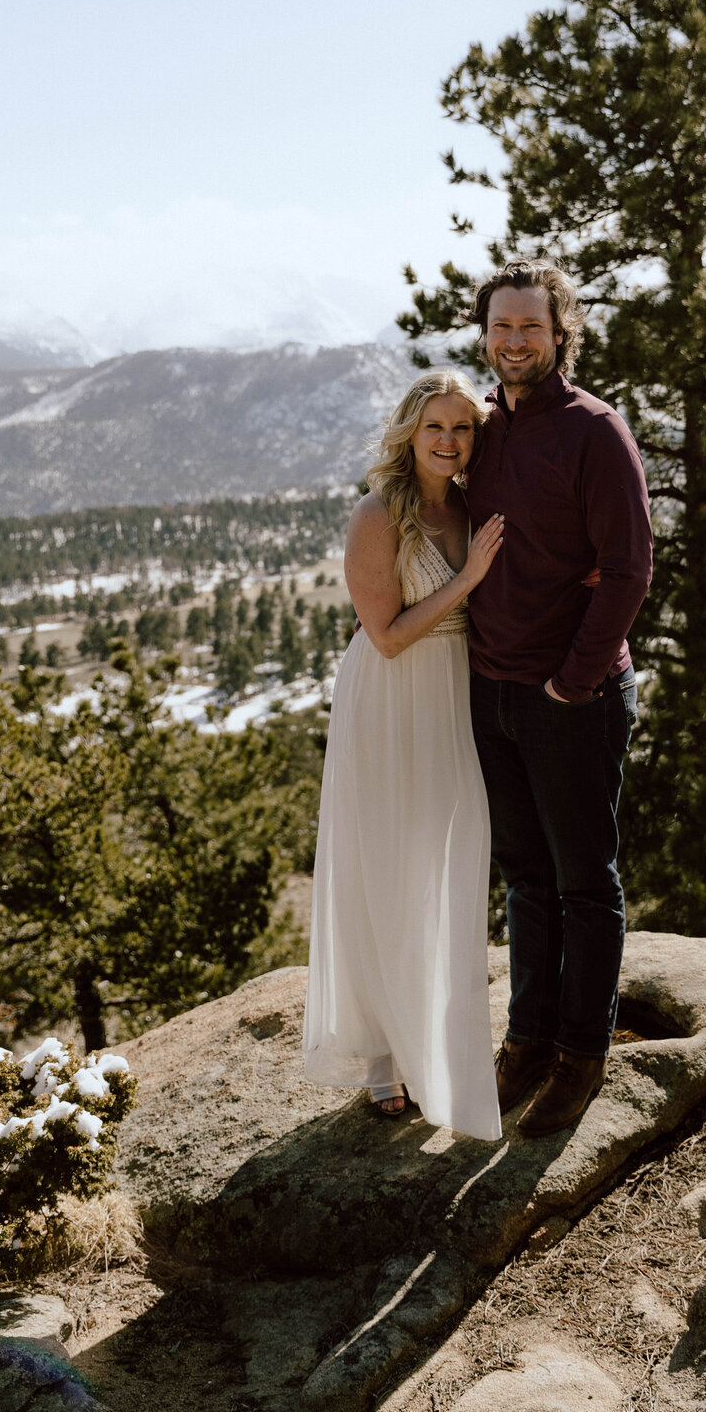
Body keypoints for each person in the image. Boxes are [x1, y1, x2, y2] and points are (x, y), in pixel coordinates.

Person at [466, 259, 653, 1137]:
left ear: (560, 331)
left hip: (570, 696)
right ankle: (528, 1042)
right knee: (527, 880)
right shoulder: (482, 431)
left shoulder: (594, 431)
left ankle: (582, 1056)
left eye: (529, 327)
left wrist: (571, 681)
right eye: (501, 327)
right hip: (492, 691)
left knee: (585, 882)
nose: (513, 342)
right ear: (484, 334)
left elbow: (628, 570)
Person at [302, 371, 505, 1141]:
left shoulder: (471, 506)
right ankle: (383, 1057)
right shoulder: (379, 513)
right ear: (408, 434)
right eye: (435, 429)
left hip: (458, 697)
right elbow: (384, 635)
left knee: (447, 869)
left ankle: (440, 1048)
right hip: (390, 696)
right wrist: (472, 577)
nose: (450, 441)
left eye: (463, 429)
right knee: (386, 870)